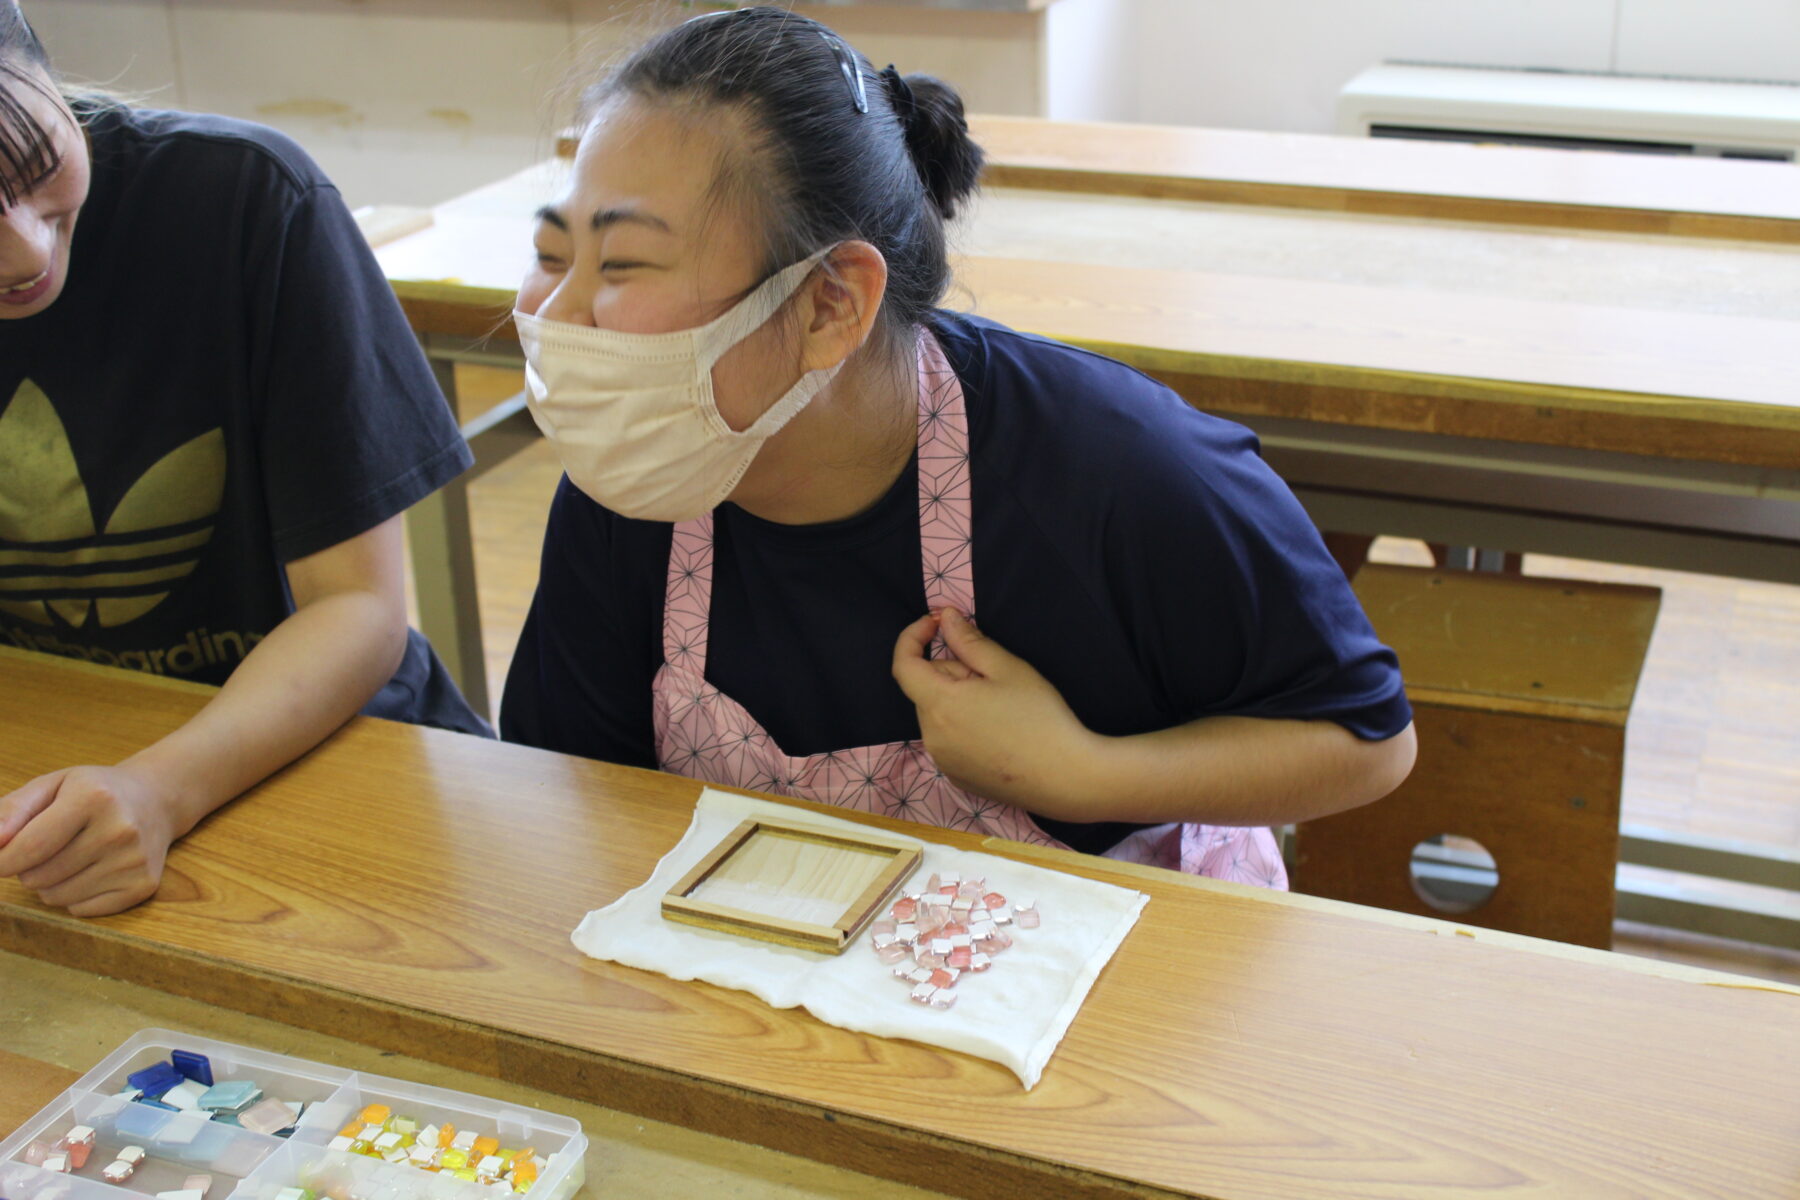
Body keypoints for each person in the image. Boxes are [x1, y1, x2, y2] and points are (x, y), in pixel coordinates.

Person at [501, 6, 1416, 886]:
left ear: (831, 305)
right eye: (552, 255)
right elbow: (580, 800)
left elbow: (1364, 741)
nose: (554, 315)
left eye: (621, 265)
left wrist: (1086, 774)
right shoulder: (633, 486)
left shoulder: (1117, 471)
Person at [0, 1, 489, 917]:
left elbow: (359, 607)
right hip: (56, 758)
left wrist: (158, 789)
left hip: (322, 754)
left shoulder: (242, 200)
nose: (23, 247)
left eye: (35, 169)